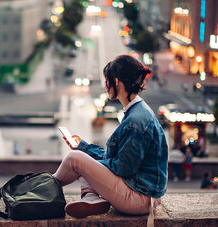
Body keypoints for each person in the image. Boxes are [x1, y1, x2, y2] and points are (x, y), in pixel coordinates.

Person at [53, 55, 168, 218]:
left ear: (117, 82)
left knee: (74, 158)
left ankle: (45, 187)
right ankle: (91, 197)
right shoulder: (138, 111)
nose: (106, 86)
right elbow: (116, 160)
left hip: (139, 198)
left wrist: (86, 161)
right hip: (142, 193)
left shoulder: (135, 121)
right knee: (83, 157)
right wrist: (84, 147)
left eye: (107, 81)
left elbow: (123, 168)